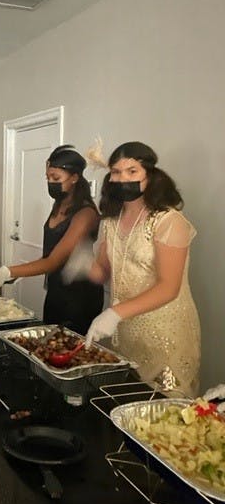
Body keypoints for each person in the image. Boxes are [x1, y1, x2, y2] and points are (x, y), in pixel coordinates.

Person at [71, 141, 200, 397]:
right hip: (127, 333)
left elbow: (169, 287)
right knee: (128, 404)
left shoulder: (168, 221)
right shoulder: (111, 220)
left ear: (149, 176)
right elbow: (102, 272)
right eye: (117, 172)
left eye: (132, 171)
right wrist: (83, 263)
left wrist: (114, 313)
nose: (123, 178)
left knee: (165, 415)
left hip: (166, 335)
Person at [0, 145, 103, 335]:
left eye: (56, 178)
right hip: (56, 289)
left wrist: (8, 272)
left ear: (75, 177)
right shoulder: (59, 204)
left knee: (68, 349)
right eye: (48, 178)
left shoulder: (85, 213)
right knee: (49, 342)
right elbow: (51, 252)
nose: (50, 182)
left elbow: (53, 261)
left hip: (80, 296)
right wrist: (20, 273)